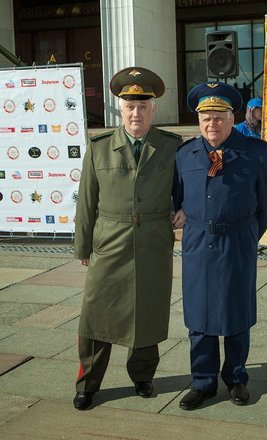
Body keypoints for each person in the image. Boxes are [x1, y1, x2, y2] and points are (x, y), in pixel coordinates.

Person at [72, 66, 182, 410]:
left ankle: (143, 376)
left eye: (143, 106)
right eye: (130, 106)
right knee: (96, 314)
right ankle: (88, 384)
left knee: (148, 311)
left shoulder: (171, 147)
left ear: (153, 109)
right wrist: (83, 246)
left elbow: (185, 189)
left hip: (152, 242)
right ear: (120, 109)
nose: (136, 113)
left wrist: (186, 209)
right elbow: (86, 201)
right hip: (110, 242)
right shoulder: (100, 148)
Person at [172, 83, 267, 410]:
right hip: (197, 243)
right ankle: (203, 382)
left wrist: (247, 235)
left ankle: (236, 378)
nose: (212, 124)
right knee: (199, 315)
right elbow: (177, 198)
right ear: (198, 120)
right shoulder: (185, 154)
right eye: (206, 117)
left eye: (219, 116)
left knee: (237, 313)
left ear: (232, 118)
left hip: (237, 242)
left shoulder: (256, 152)